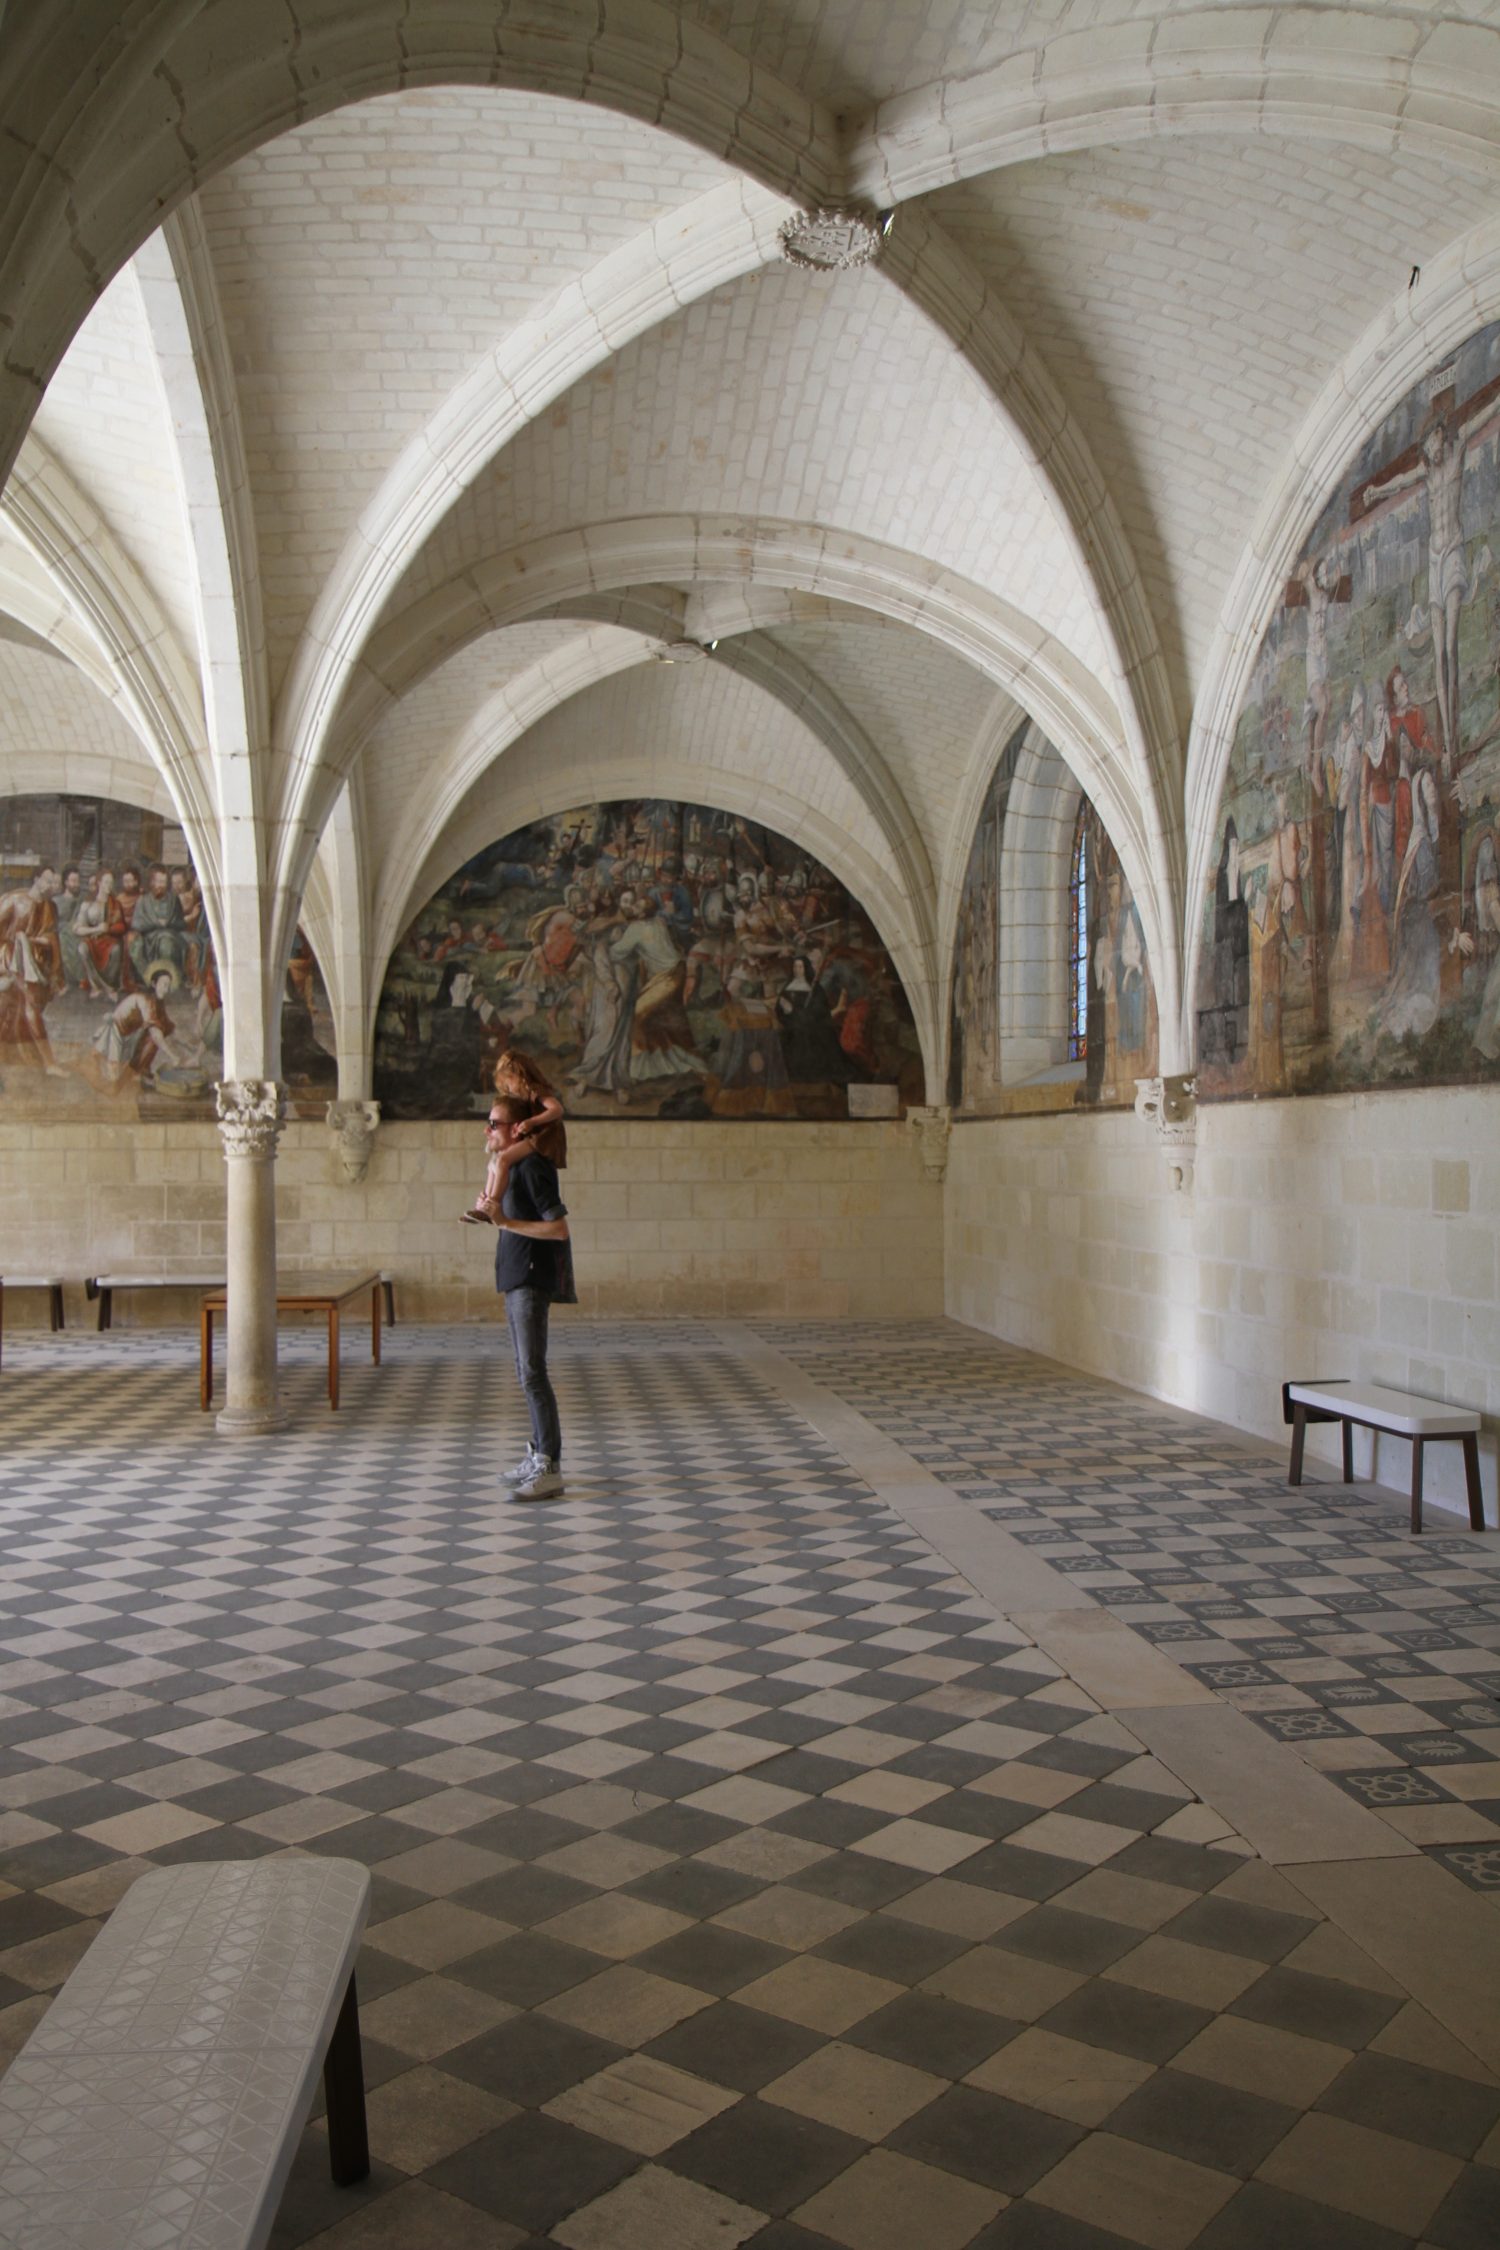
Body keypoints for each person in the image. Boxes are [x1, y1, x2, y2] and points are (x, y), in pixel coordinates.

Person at [482, 1092, 575, 1502]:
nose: (487, 1130)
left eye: (494, 1123)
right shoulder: (511, 1168)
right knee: (525, 1372)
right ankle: (538, 1452)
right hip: (515, 1276)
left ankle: (549, 1466)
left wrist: (504, 1220)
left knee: (533, 1373)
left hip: (531, 1279)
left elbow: (559, 1230)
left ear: (517, 1127)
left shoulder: (534, 1167)